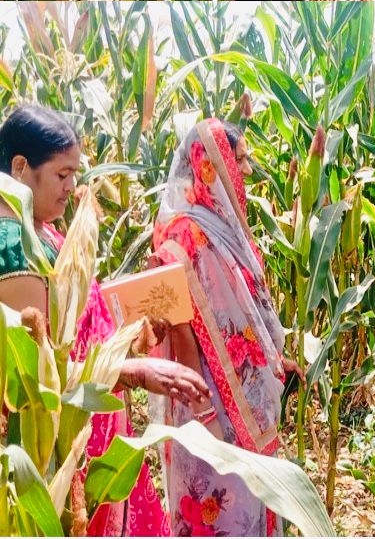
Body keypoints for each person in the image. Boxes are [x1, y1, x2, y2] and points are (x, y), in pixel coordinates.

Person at [0, 104, 209, 536]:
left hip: (80, 434)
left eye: (74, 174)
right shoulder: (12, 248)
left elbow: (72, 320)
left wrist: (132, 329)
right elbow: (34, 376)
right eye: (62, 174)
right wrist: (131, 371)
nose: (71, 187)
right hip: (54, 453)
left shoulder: (38, 227)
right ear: (20, 167)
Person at [150, 118, 301, 537]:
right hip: (208, 401)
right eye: (239, 160)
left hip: (242, 395)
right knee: (219, 505)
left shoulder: (223, 228)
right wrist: (203, 413)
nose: (247, 170)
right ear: (209, 166)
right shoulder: (183, 235)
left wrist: (274, 360)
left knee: (250, 500)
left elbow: (242, 314)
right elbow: (180, 327)